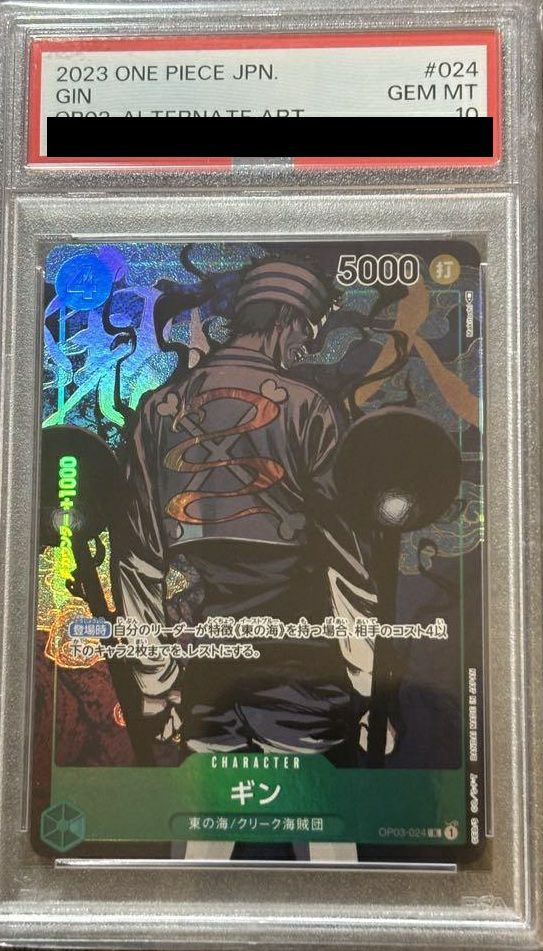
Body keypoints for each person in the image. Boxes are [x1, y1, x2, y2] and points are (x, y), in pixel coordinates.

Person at [112, 258, 380, 761]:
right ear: (285, 318)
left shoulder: (158, 409)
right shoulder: (308, 407)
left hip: (204, 675)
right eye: (307, 328)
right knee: (311, 803)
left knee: (212, 803)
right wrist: (369, 681)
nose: (308, 344)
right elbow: (347, 559)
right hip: (301, 667)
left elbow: (137, 558)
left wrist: (155, 683)